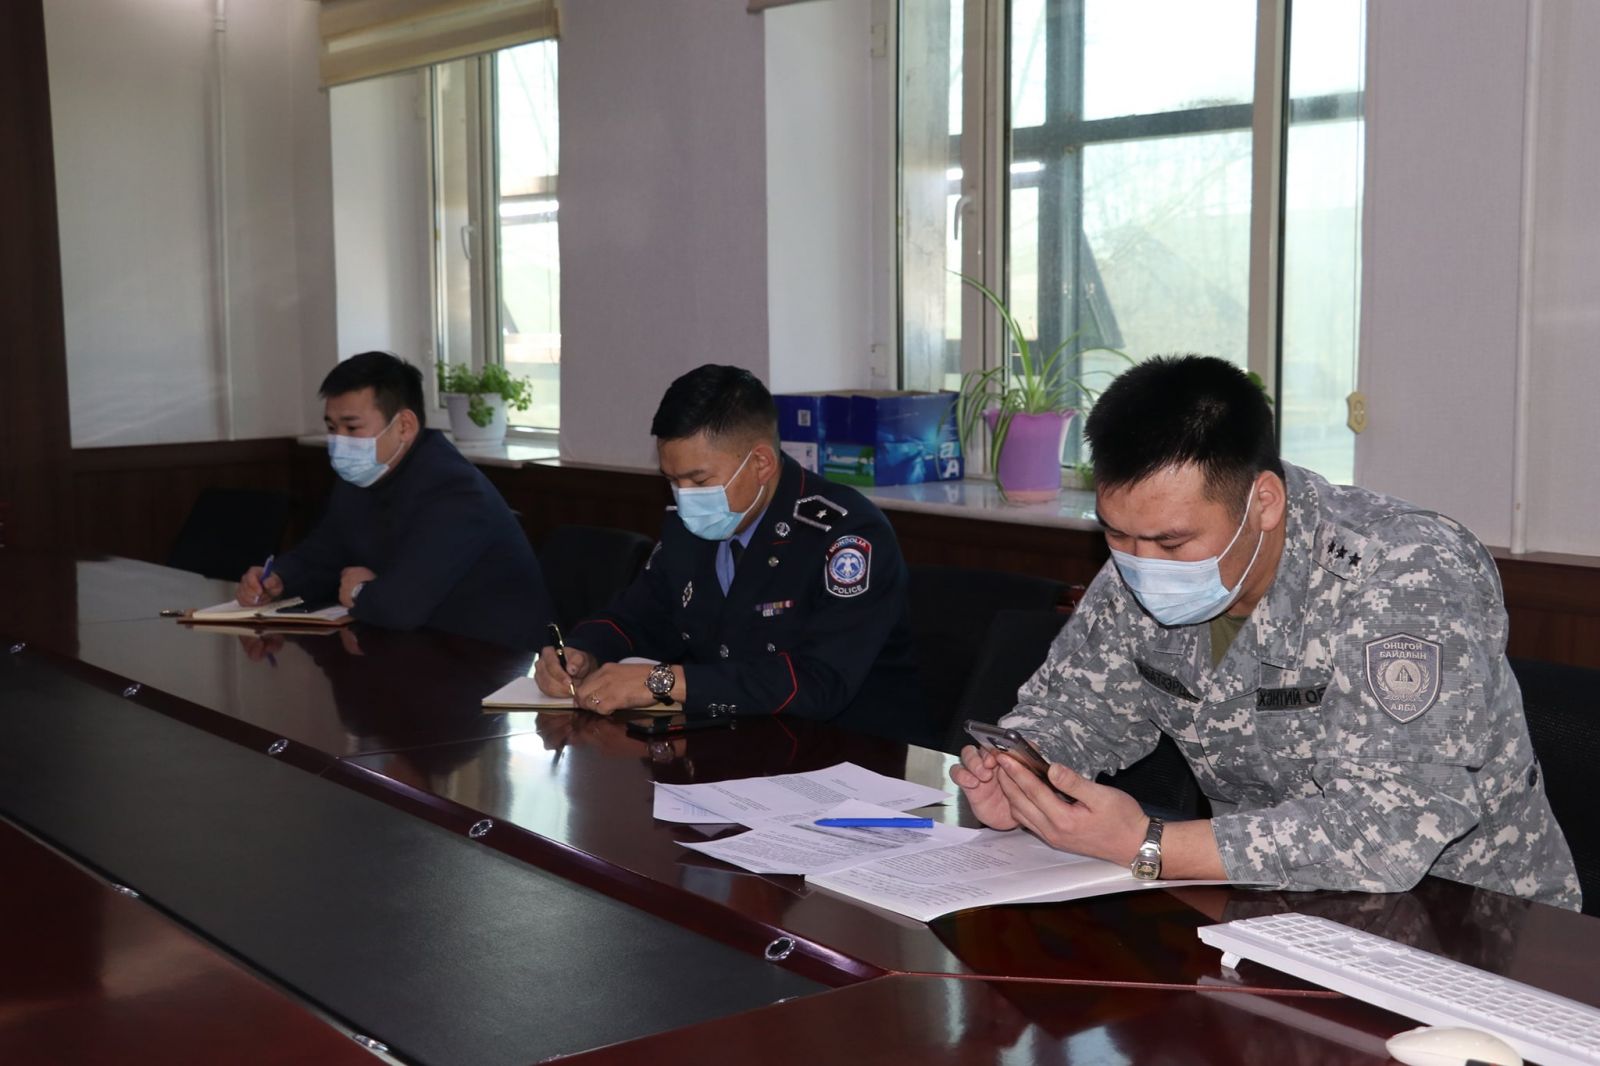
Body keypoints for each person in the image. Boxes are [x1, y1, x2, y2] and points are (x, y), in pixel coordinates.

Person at [952, 355, 1581, 909]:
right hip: (1271, 904)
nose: (1143, 563)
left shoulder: (1405, 571)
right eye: (1116, 533)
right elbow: (1079, 709)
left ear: (1264, 502)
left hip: (1472, 922)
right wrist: (1026, 776)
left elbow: (1390, 827)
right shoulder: (1141, 558)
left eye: (1172, 542)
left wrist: (1150, 845)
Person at [533, 364, 924, 741]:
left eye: (699, 480)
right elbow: (640, 616)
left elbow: (820, 683)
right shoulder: (692, 526)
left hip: (847, 755)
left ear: (761, 463)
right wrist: (583, 653)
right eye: (673, 481)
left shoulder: (846, 536)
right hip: (733, 743)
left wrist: (665, 682)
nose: (685, 497)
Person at [236, 351, 553, 650]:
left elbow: (401, 606)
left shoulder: (456, 492)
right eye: (332, 428)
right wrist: (278, 578)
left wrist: (361, 590)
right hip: (416, 650)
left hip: (495, 661)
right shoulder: (363, 475)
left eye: (352, 427)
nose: (339, 442)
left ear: (404, 426)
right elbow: (325, 552)